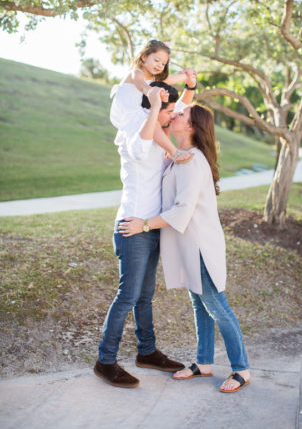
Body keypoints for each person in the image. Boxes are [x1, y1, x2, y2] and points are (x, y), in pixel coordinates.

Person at [119, 104, 251, 393]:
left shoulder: (192, 162)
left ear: (191, 127)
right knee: (200, 306)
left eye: (181, 115)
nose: (174, 115)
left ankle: (241, 368)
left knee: (218, 307)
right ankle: (203, 362)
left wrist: (142, 224)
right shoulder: (181, 158)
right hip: (188, 247)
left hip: (201, 248)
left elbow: (181, 212)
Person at [94, 75, 197, 389]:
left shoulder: (162, 133)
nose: (172, 116)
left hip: (151, 226)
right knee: (127, 296)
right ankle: (105, 361)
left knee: (145, 297)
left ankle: (147, 352)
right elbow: (140, 150)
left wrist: (187, 86)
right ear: (151, 108)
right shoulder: (134, 132)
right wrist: (154, 106)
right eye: (167, 112)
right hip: (132, 226)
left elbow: (182, 108)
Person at [110, 39, 196, 163]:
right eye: (156, 60)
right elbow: (141, 85)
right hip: (126, 114)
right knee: (153, 121)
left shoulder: (155, 77)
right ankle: (174, 153)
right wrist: (152, 92)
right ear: (144, 57)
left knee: (156, 120)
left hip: (138, 113)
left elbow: (173, 78)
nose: (159, 65)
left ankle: (169, 150)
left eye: (163, 63)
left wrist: (189, 75)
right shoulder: (136, 73)